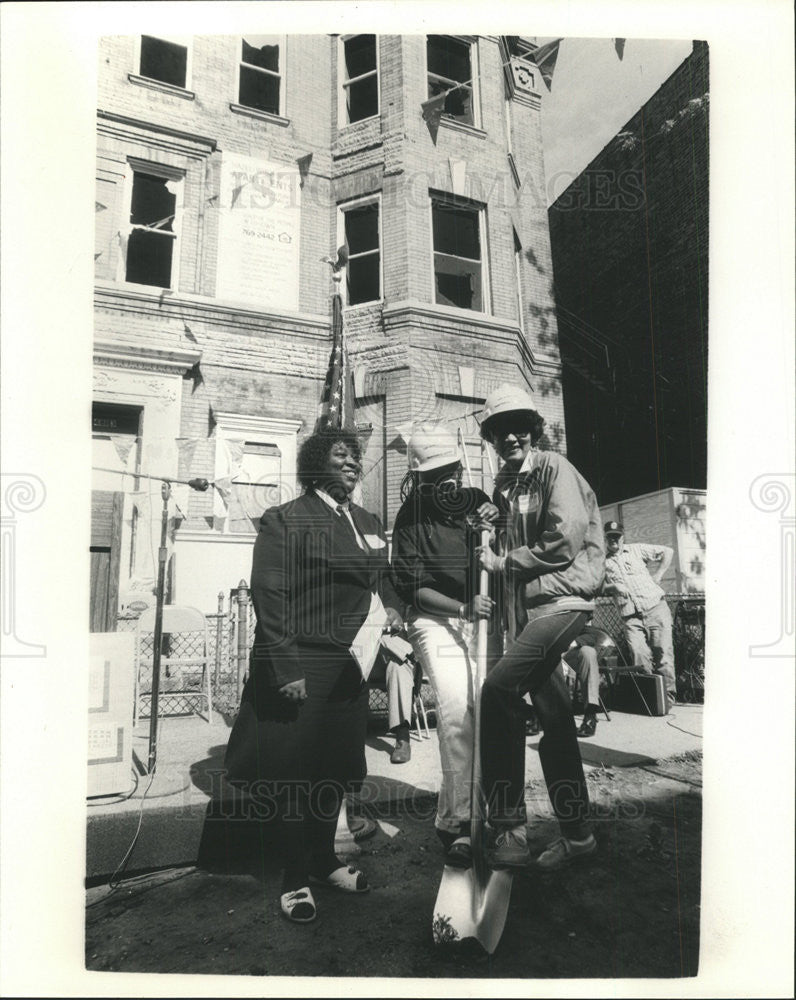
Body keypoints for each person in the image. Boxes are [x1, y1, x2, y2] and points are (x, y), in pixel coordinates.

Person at [223, 427, 403, 924]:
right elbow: (270, 595)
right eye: (341, 455)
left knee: (333, 769)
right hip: (298, 661)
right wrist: (286, 667)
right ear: (316, 463)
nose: (351, 464)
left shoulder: (367, 521)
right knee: (294, 777)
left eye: (355, 457)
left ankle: (325, 863)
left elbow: (386, 578)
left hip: (349, 662)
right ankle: (295, 878)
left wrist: (393, 608)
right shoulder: (287, 519)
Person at [476, 384, 605, 870]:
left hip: (563, 600)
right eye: (498, 429)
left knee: (499, 690)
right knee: (554, 721)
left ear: (533, 429)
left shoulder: (554, 468)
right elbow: (504, 542)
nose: (510, 436)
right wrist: (493, 516)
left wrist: (504, 560)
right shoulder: (505, 485)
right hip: (530, 612)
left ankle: (508, 826)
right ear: (489, 437)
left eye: (518, 426)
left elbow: (564, 539)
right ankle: (578, 836)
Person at [391, 423, 497, 869]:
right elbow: (413, 589)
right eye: (436, 475)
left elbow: (507, 534)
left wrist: (496, 516)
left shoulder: (474, 499)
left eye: (452, 469)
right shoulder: (409, 517)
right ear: (419, 476)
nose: (447, 480)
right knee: (455, 708)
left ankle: (494, 815)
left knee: (486, 710)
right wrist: (461, 609)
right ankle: (457, 823)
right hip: (435, 619)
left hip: (482, 614)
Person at [602, 521, 676, 709]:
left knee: (663, 653)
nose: (614, 540)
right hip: (630, 616)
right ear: (605, 539)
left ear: (622, 537)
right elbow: (596, 585)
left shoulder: (636, 550)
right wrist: (613, 586)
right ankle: (649, 698)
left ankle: (667, 699)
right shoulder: (603, 562)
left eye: (616, 536)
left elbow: (667, 552)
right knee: (638, 654)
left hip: (654, 608)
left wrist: (658, 575)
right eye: (610, 537)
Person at [368, 632, 416, 764]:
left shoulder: (408, 611)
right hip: (368, 661)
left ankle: (402, 739)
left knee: (398, 666)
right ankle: (411, 655)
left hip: (396, 662)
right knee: (372, 631)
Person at [561, 636, 601, 737]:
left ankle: (590, 714)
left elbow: (592, 635)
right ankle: (532, 713)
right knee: (536, 650)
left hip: (571, 651)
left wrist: (574, 640)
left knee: (588, 652)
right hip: (549, 648)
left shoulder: (583, 619)